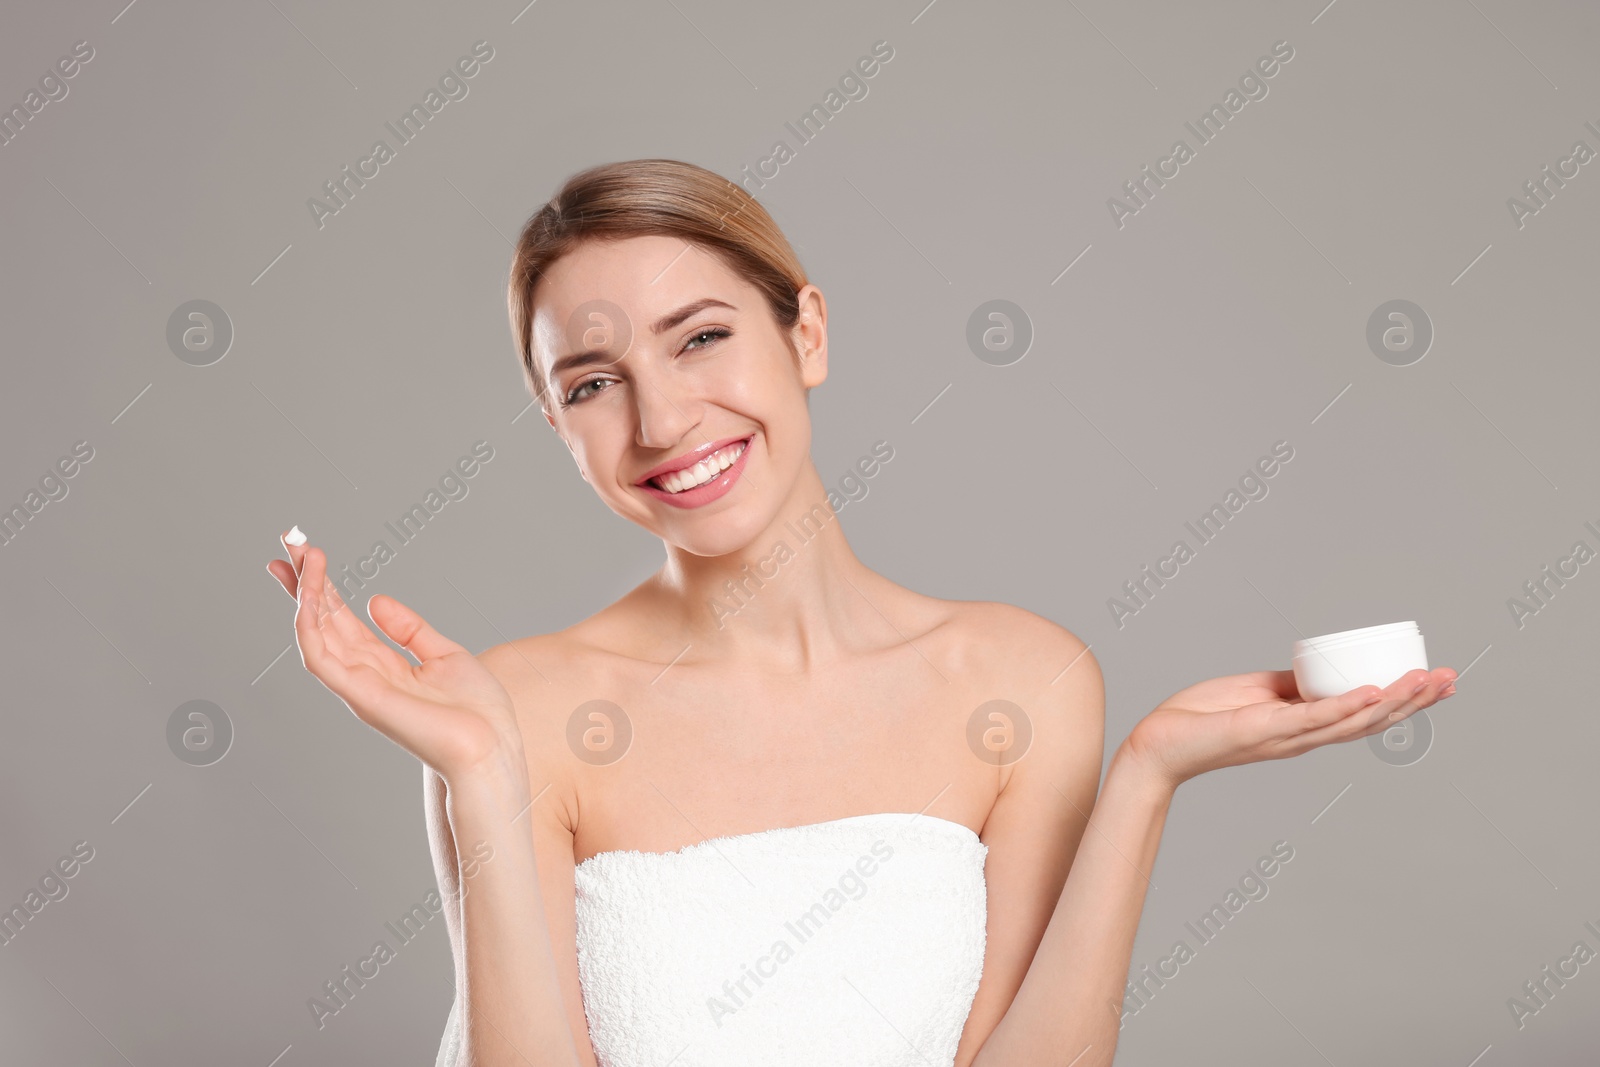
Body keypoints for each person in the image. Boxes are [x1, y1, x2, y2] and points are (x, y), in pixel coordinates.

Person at [264, 158, 1456, 1067]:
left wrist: (1145, 775)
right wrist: (479, 768)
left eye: (702, 339)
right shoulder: (509, 709)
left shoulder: (1021, 679)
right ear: (557, 427)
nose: (664, 420)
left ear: (808, 332)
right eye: (591, 382)